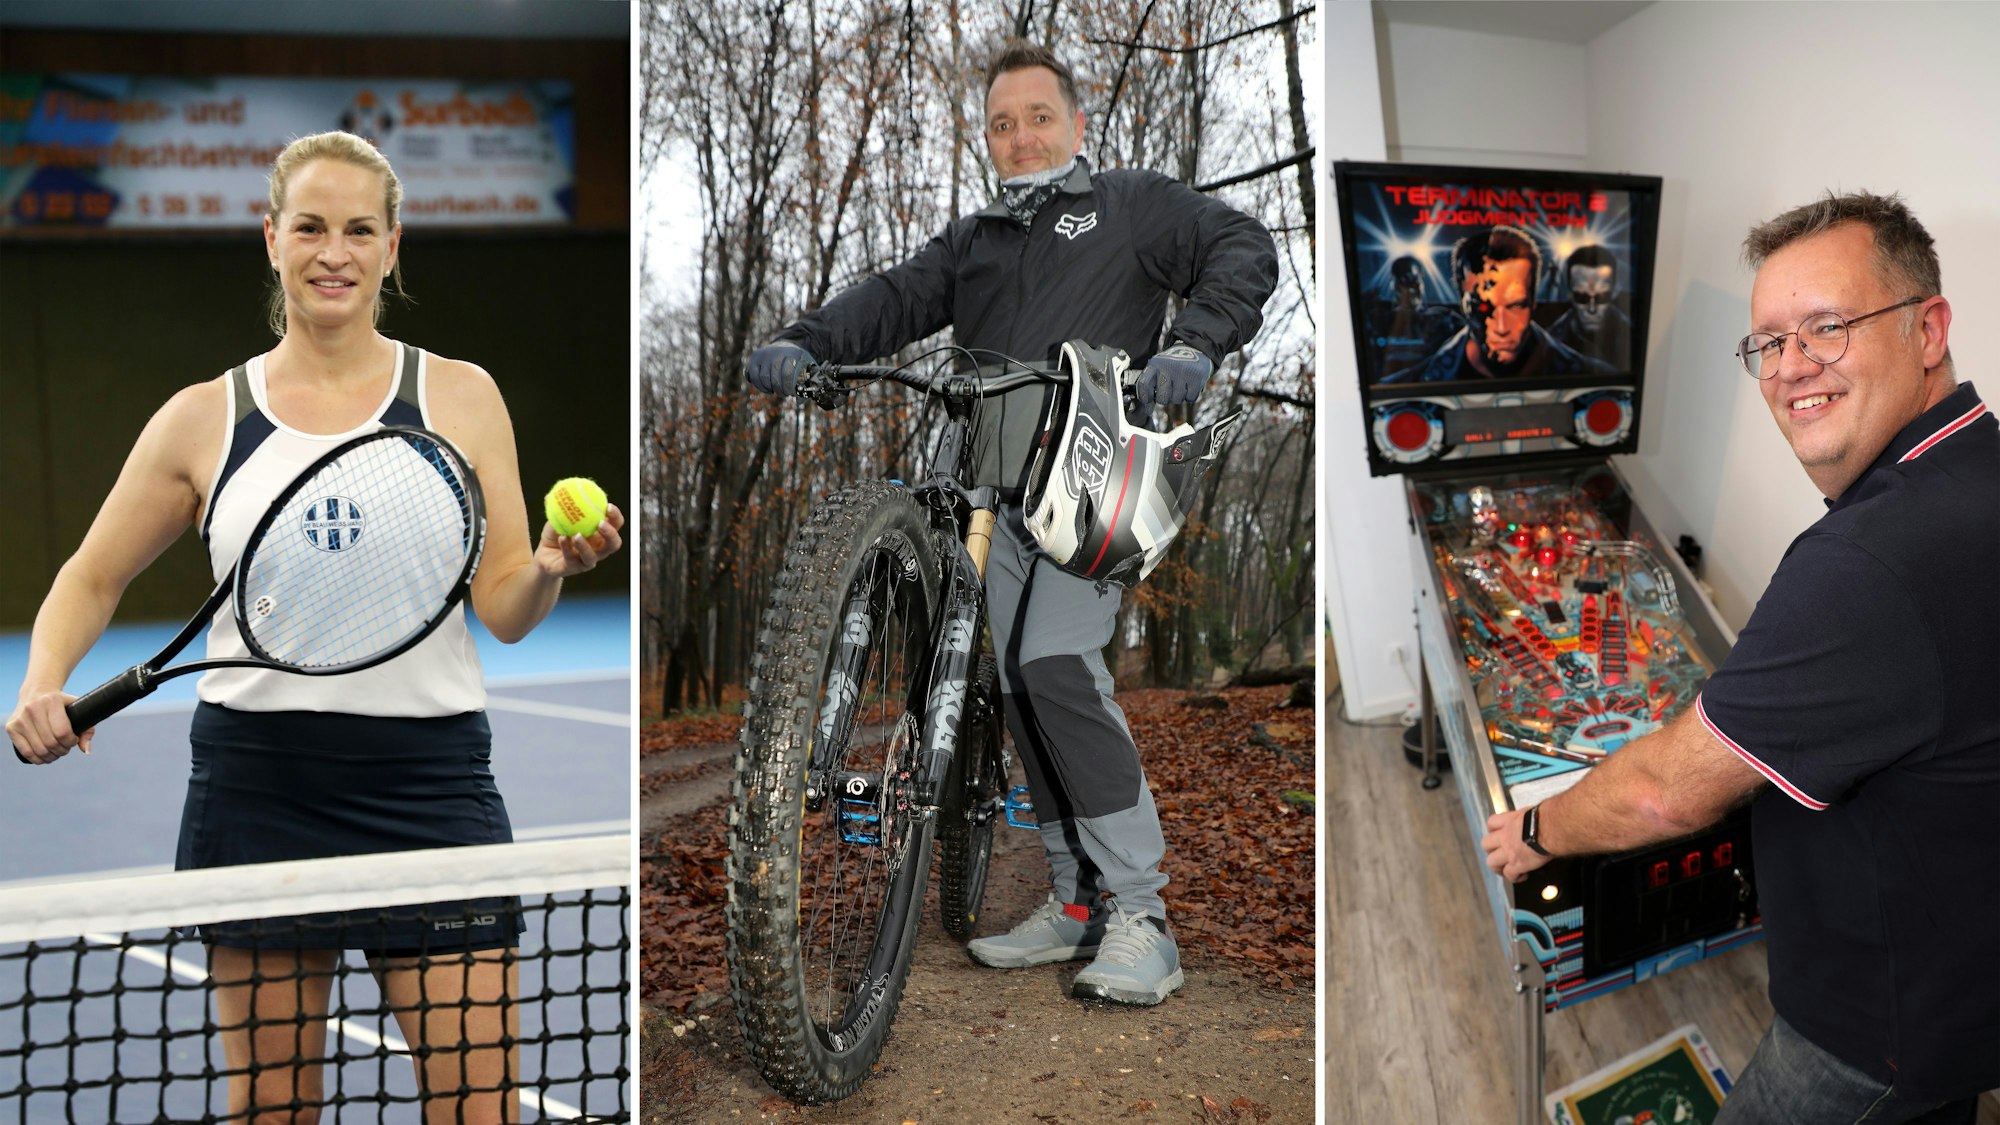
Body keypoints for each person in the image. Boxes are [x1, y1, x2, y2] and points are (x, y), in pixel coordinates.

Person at [5, 131, 624, 1123]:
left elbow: (504, 608)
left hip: (432, 792)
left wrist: (549, 568)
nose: (333, 251)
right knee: (275, 1109)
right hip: (258, 791)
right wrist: (43, 682)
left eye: (357, 230)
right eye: (310, 227)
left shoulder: (461, 397)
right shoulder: (202, 419)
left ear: (391, 247)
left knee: (479, 1107)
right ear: (271, 239)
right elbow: (90, 575)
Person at [744, 41, 1277, 1007]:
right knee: (1013, 687)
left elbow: (1245, 246)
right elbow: (894, 299)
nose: (1020, 136)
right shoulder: (975, 239)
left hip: (1089, 480)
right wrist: (805, 341)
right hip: (986, 490)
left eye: (1038, 117)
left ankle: (1141, 914)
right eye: (1001, 123)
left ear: (1076, 126)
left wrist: (1197, 343)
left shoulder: (1130, 206)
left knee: (1056, 668)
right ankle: (1073, 902)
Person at [1478, 191, 1997, 1124]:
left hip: (1874, 1032)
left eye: (1828, 328)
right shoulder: (1976, 470)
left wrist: (1539, 829)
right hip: (1958, 977)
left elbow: (1662, 793)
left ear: (1929, 329)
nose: (1792, 368)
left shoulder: (1868, 559)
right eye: (1769, 343)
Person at [1381, 225, 1614, 383]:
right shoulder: (1410, 386)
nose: (1500, 327)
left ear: (1533, 302)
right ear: (1462, 304)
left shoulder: (1596, 378)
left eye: (1515, 306)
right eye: (1483, 307)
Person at [1547, 244, 1632, 369]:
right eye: (1582, 297)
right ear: (1569, 295)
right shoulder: (1549, 344)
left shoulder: (1634, 338)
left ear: (1614, 293)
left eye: (1602, 297)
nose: (1592, 309)